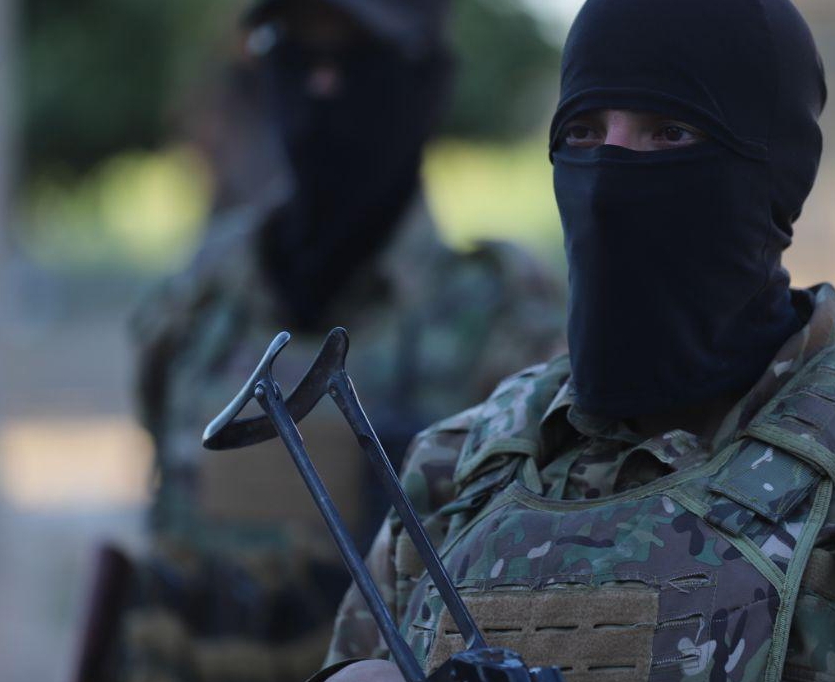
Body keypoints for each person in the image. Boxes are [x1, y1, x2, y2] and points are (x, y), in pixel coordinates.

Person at [319, 0, 835, 680]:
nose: (608, 179)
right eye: (582, 134)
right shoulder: (458, 470)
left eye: (669, 133)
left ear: (777, 171)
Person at [103, 1, 564, 680]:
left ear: (429, 83)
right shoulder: (198, 307)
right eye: (294, 55)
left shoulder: (507, 325)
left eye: (356, 59)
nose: (320, 87)